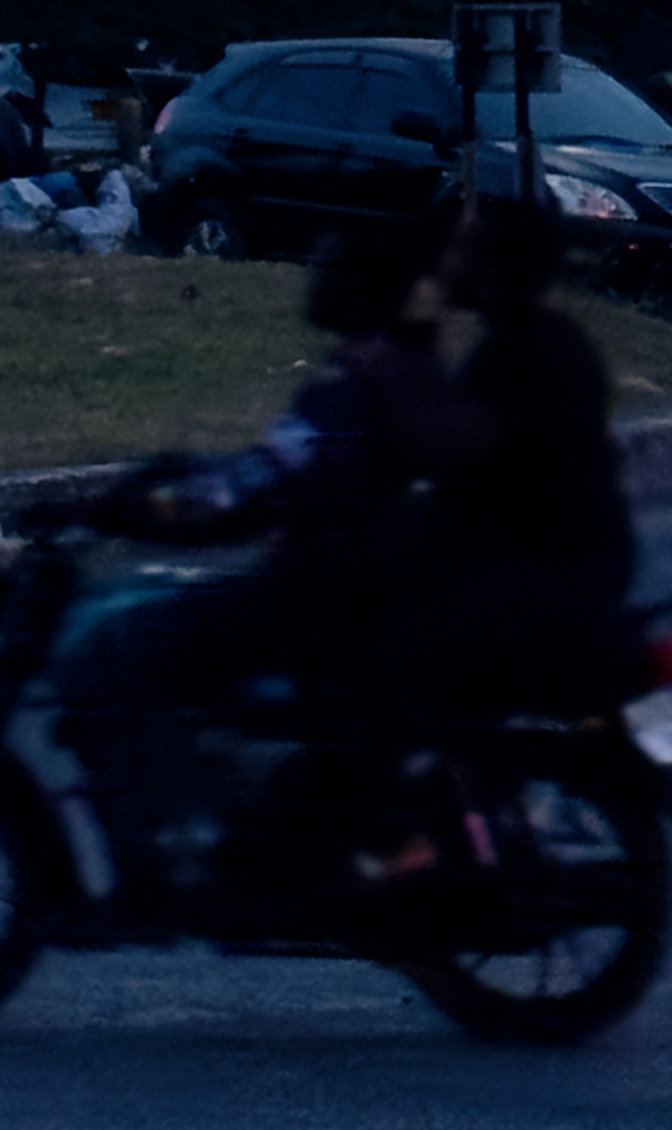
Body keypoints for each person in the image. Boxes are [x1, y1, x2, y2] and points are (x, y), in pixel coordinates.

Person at [55, 217, 446, 888]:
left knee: (119, 643)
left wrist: (134, 509)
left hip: (321, 595)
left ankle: (175, 841)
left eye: (331, 268)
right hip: (364, 591)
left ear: (361, 286)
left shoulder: (354, 380)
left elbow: (255, 487)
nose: (315, 279)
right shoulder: (401, 366)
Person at [384, 197, 641, 724]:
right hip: (588, 561)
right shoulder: (555, 340)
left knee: (388, 661)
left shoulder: (517, 354)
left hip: (535, 573)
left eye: (462, 249)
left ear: (493, 264)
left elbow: (448, 448)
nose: (448, 261)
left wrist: (405, 352)